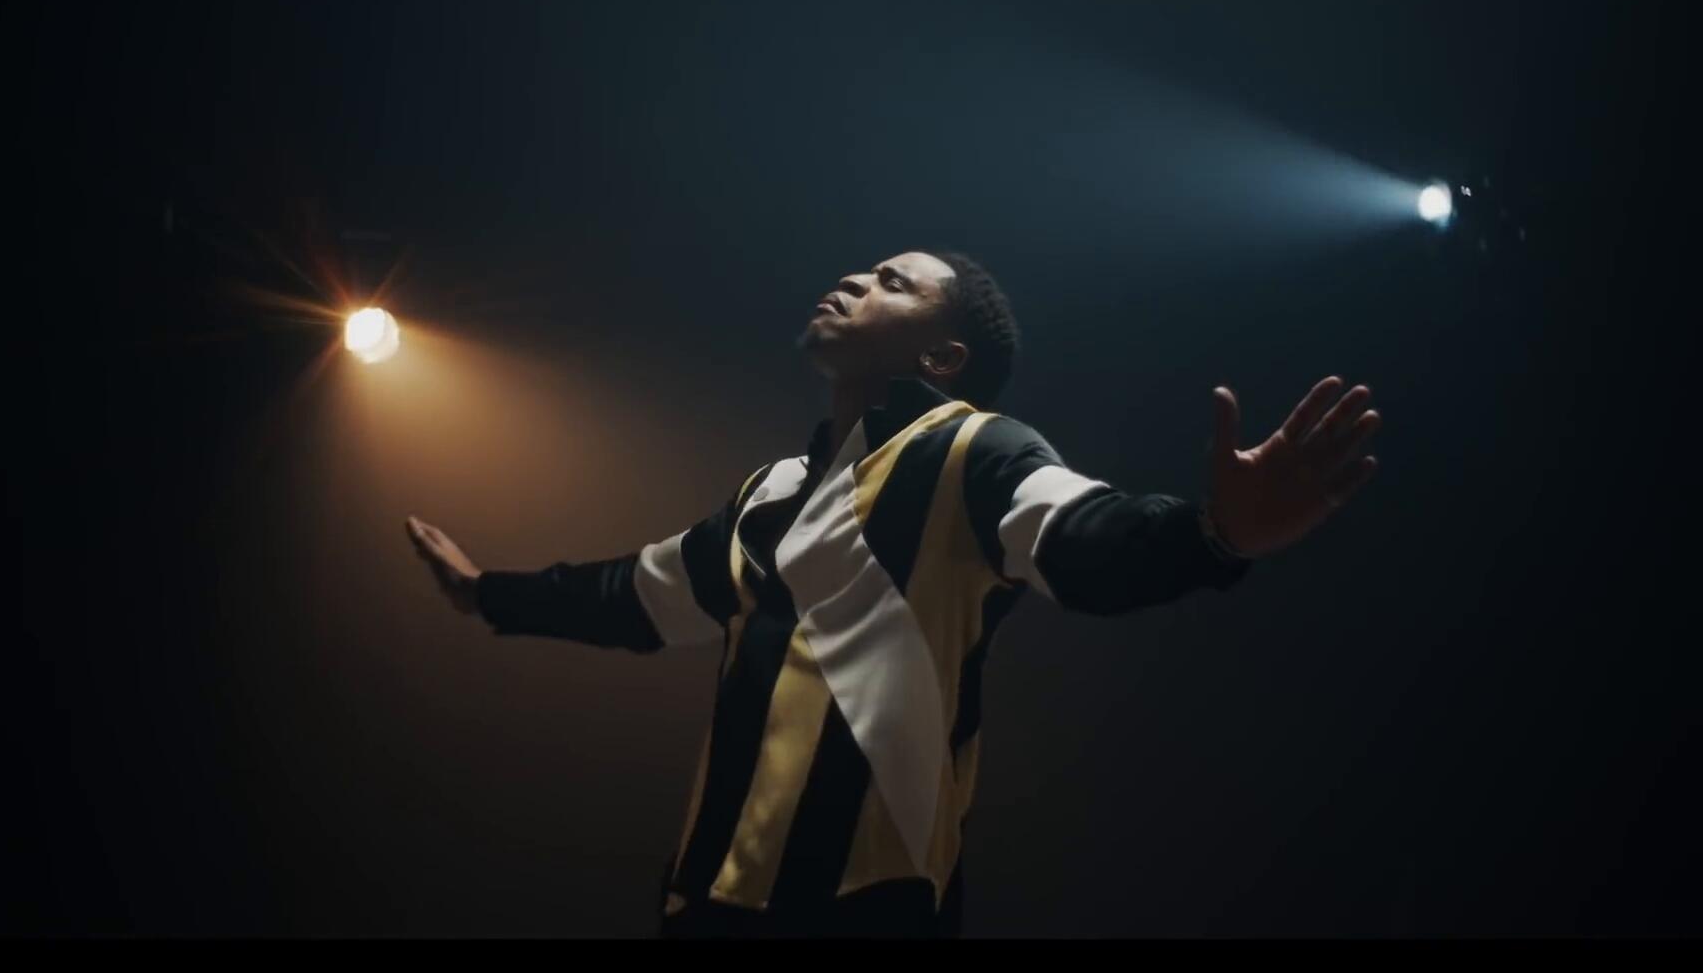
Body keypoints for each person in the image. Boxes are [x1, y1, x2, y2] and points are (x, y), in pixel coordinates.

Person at [405, 249, 1380, 938]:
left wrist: (1211, 534)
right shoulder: (768, 494)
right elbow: (635, 595)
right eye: (863, 271)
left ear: (942, 359)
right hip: (700, 902)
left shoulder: (971, 449)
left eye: (892, 282)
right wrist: (487, 595)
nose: (854, 280)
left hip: (868, 906)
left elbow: (1083, 536)